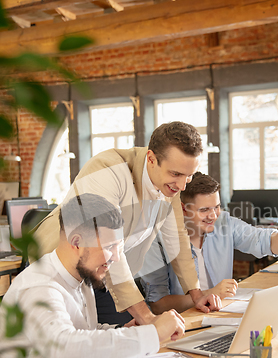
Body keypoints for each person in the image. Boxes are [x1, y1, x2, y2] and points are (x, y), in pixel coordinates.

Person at [0, 193, 199, 358]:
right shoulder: (40, 288)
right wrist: (151, 333)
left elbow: (83, 333)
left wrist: (125, 332)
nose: (116, 257)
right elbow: (66, 349)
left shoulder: (79, 277)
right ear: (76, 242)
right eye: (110, 246)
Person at [32, 122, 221, 325]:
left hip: (101, 274)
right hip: (58, 267)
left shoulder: (171, 186)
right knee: (72, 345)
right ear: (151, 159)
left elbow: (177, 239)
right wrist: (146, 315)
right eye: (175, 174)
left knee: (132, 340)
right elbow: (104, 242)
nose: (183, 185)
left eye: (189, 176)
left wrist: (197, 294)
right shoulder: (108, 170)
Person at [139, 172, 278, 314]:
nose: (213, 216)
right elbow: (158, 304)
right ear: (183, 209)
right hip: (181, 324)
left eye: (216, 207)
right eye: (205, 210)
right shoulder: (157, 240)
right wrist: (207, 294)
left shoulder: (224, 223)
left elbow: (266, 239)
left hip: (221, 315)